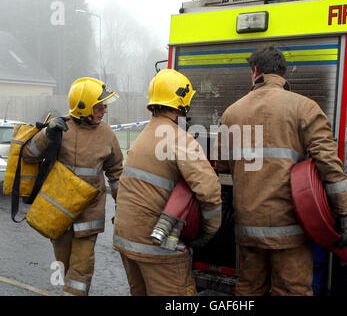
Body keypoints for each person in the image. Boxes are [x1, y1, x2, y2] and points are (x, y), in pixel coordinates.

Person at [215, 46, 347, 296]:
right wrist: (344, 212)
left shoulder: (231, 113)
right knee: (292, 291)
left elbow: (221, 164)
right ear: (283, 73)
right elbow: (329, 165)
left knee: (248, 290)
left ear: (255, 71)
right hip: (291, 229)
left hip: (248, 228)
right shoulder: (306, 108)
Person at [113, 69, 222, 296]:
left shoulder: (145, 135)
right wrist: (207, 234)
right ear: (182, 103)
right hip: (158, 248)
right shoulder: (179, 139)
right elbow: (209, 191)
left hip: (126, 241)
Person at [22, 77, 123, 296]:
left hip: (89, 218)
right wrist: (47, 135)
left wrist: (122, 208)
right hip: (59, 216)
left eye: (105, 106)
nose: (104, 110)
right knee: (64, 264)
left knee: (81, 269)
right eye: (100, 106)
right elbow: (29, 155)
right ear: (83, 106)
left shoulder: (107, 134)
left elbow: (116, 173)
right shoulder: (60, 127)